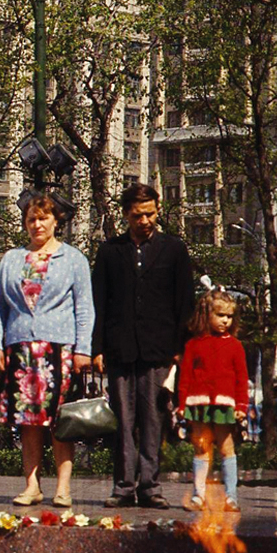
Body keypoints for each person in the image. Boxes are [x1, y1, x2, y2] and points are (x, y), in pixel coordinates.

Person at [0, 192, 94, 510]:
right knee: (28, 421)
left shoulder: (73, 259)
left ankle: (63, 488)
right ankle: (32, 485)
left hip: (59, 350)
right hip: (20, 349)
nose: (37, 224)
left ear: (55, 220)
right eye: (32, 218)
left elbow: (84, 308)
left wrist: (83, 349)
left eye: (43, 218)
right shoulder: (11, 258)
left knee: (60, 423)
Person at [90, 182, 193, 510]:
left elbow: (185, 302)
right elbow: (99, 303)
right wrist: (97, 348)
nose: (144, 221)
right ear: (126, 215)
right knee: (123, 421)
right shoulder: (109, 251)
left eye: (149, 214)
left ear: (158, 210)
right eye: (137, 215)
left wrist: (180, 348)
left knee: (153, 420)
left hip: (158, 350)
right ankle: (123, 487)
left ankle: (150, 486)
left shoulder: (174, 250)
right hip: (120, 349)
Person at [177, 289, 249, 512]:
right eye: (220, 315)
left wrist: (242, 405)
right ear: (206, 314)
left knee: (226, 447)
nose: (225, 321)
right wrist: (182, 404)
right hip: (197, 403)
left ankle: (231, 496)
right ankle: (199, 495)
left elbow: (242, 378)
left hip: (224, 404)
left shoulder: (235, 346)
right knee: (201, 446)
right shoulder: (193, 345)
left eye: (229, 316)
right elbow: (185, 376)